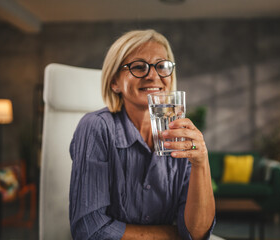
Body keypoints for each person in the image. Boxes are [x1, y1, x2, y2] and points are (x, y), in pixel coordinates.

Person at [69, 29, 215, 240]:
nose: (153, 75)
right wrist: (173, 235)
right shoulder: (96, 127)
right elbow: (89, 231)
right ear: (114, 82)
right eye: (138, 67)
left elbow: (198, 233)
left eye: (162, 66)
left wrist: (201, 163)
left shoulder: (181, 135)